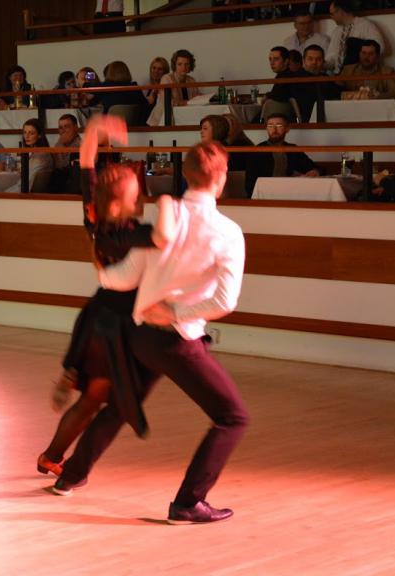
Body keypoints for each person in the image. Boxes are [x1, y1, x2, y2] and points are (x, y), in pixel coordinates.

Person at [53, 141, 250, 527]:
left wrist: (101, 272)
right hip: (176, 339)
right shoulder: (227, 232)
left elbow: (128, 276)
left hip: (141, 335)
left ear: (186, 174)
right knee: (233, 417)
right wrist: (177, 313)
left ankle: (70, 476)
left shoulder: (166, 216)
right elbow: (225, 301)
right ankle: (188, 503)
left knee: (121, 405)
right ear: (222, 178)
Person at [39, 114, 168, 478]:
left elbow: (86, 168)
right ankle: (53, 456)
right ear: (120, 202)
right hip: (115, 325)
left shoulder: (95, 218)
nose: (140, 194)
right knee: (98, 398)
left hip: (99, 314)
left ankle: (52, 453)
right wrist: (174, 208)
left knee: (94, 398)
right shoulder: (127, 233)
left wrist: (95, 129)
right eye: (135, 191)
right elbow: (163, 238)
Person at [245, 113, 321, 196]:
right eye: (270, 126)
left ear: (287, 129)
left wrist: (314, 171)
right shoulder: (258, 151)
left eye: (279, 125)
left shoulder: (292, 149)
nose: (274, 129)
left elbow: (312, 167)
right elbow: (250, 183)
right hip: (265, 193)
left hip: (289, 191)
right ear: (266, 129)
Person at [325, 0, 385, 74]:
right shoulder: (337, 31)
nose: (331, 17)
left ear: (340, 11)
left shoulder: (365, 25)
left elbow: (380, 47)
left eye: (332, 14)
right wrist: (322, 65)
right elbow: (331, 57)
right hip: (339, 75)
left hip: (359, 74)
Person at [147, 49, 199, 125]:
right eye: (180, 64)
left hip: (183, 119)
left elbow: (195, 100)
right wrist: (186, 102)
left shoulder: (191, 80)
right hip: (161, 121)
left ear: (190, 65)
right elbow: (167, 101)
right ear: (174, 65)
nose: (183, 67)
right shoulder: (167, 78)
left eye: (187, 64)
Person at [290, 44, 342, 121]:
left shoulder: (325, 78)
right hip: (306, 121)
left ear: (323, 62)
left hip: (330, 118)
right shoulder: (295, 79)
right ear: (303, 61)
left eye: (318, 59)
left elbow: (337, 93)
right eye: (310, 59)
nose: (314, 62)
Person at [49, 114, 82, 194]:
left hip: (70, 189)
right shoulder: (59, 143)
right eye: (60, 128)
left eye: (66, 127)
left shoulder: (81, 146)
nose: (62, 131)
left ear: (75, 128)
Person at [21, 118, 54, 192]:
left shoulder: (42, 155)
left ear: (39, 135)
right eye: (25, 132)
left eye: (31, 133)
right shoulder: (34, 152)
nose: (27, 136)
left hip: (30, 193)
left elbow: (27, 181)